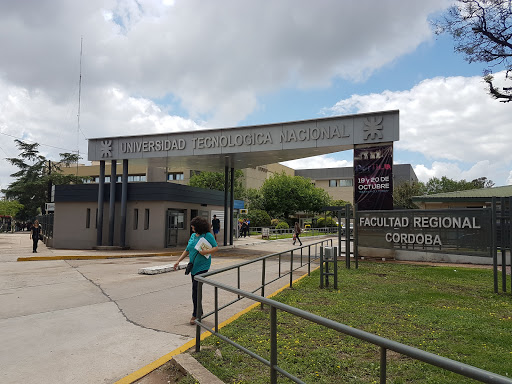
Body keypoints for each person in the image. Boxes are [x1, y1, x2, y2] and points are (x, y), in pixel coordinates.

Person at [173, 216, 219, 325]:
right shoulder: (193, 236)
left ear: (199, 227)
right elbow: (187, 250)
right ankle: (200, 311)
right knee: (195, 290)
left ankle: (196, 314)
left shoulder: (207, 235)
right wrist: (178, 261)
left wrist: (206, 251)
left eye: (193, 227)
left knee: (195, 290)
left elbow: (216, 247)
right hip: (193, 266)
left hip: (203, 266)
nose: (192, 229)